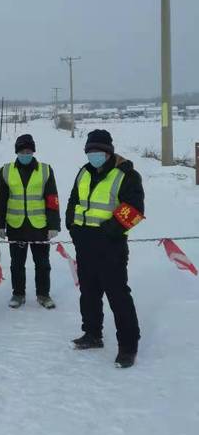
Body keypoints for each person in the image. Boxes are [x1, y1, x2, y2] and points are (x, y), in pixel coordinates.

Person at [66, 129, 144, 368]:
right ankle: (92, 334)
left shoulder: (126, 175)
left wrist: (107, 232)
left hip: (111, 246)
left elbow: (134, 210)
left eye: (99, 151)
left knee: (118, 296)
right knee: (88, 293)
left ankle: (128, 347)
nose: (94, 155)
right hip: (84, 244)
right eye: (90, 151)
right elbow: (73, 201)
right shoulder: (84, 172)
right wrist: (72, 226)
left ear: (109, 152)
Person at [0, 134, 60, 309]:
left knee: (43, 263)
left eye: (28, 151)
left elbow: (52, 198)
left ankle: (43, 295)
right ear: (17, 152)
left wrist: (54, 225)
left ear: (33, 151)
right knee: (17, 263)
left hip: (39, 225)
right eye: (22, 151)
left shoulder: (45, 170)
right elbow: (1, 199)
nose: (25, 153)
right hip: (16, 225)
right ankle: (18, 294)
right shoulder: (6, 170)